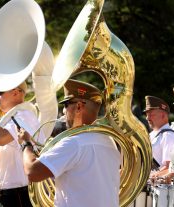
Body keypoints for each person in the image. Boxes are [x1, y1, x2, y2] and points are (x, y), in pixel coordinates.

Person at [18, 79, 120, 207]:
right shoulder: (109, 142)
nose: (64, 111)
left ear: (78, 107)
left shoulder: (74, 143)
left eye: (66, 105)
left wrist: (26, 144)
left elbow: (32, 172)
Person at [144, 96, 174, 176]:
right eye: (147, 114)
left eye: (151, 114)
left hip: (159, 186)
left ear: (163, 115)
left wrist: (145, 177)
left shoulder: (169, 136)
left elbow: (173, 168)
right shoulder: (150, 135)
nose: (147, 118)